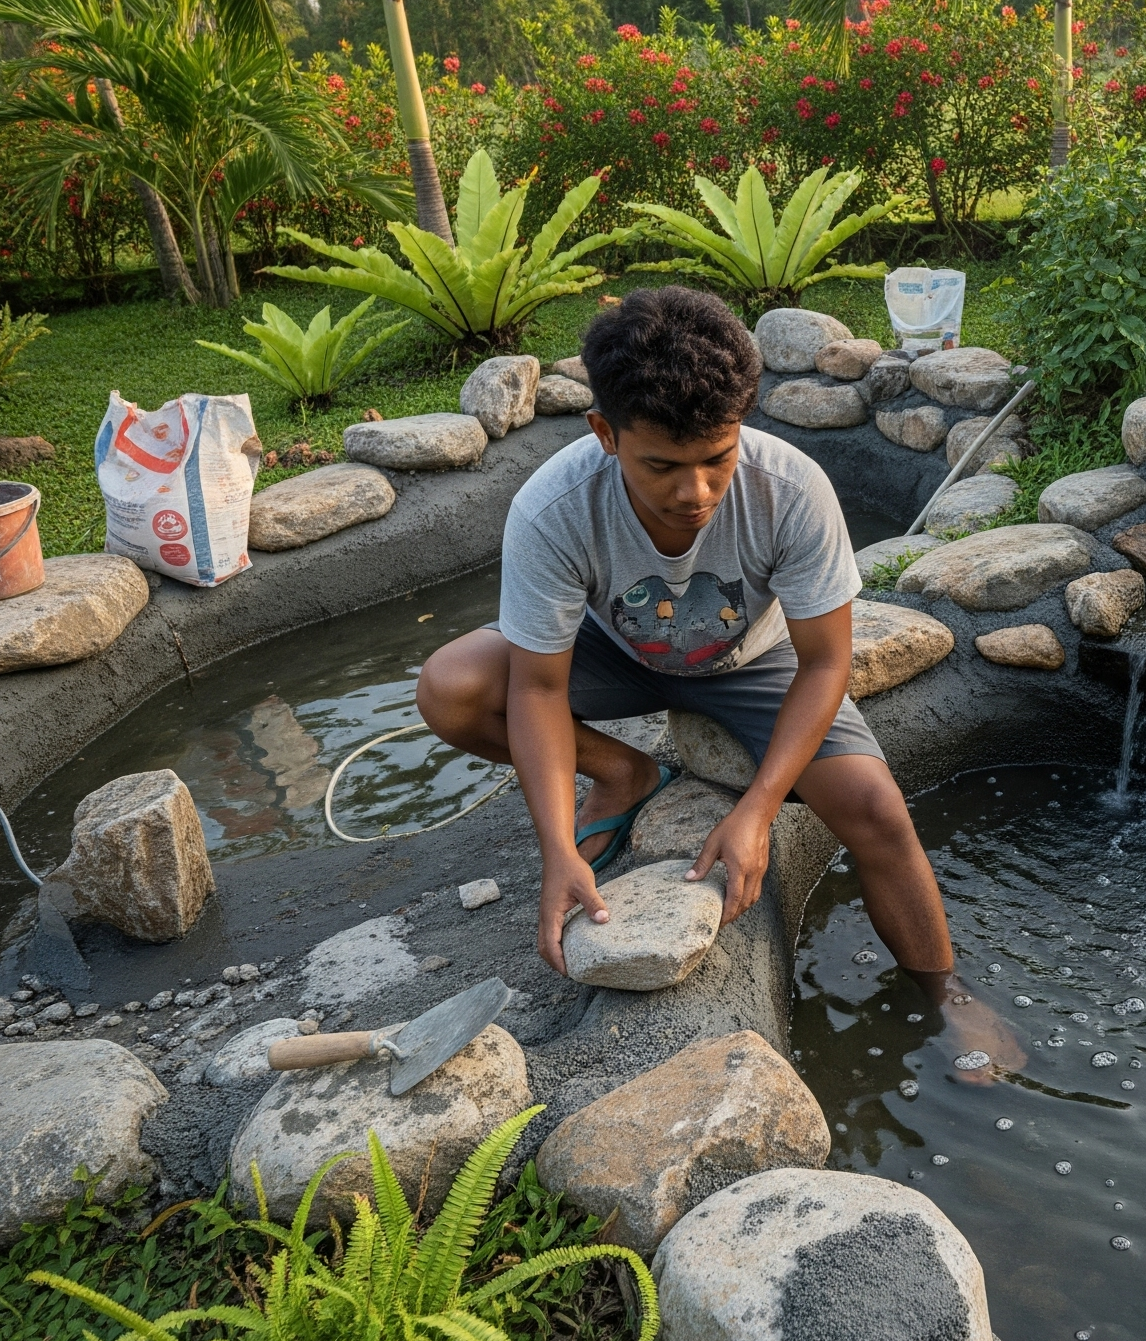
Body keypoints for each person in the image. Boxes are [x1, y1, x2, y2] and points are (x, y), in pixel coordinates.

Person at [415, 284, 1019, 1074]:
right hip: (611, 656)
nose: (694, 493)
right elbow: (535, 689)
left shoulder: (791, 490)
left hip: (753, 664)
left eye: (716, 459)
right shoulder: (553, 508)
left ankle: (947, 997)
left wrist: (758, 809)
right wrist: (555, 847)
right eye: (661, 466)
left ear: (744, 424)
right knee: (450, 686)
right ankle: (623, 772)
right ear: (605, 434)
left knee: (876, 810)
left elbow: (826, 663)